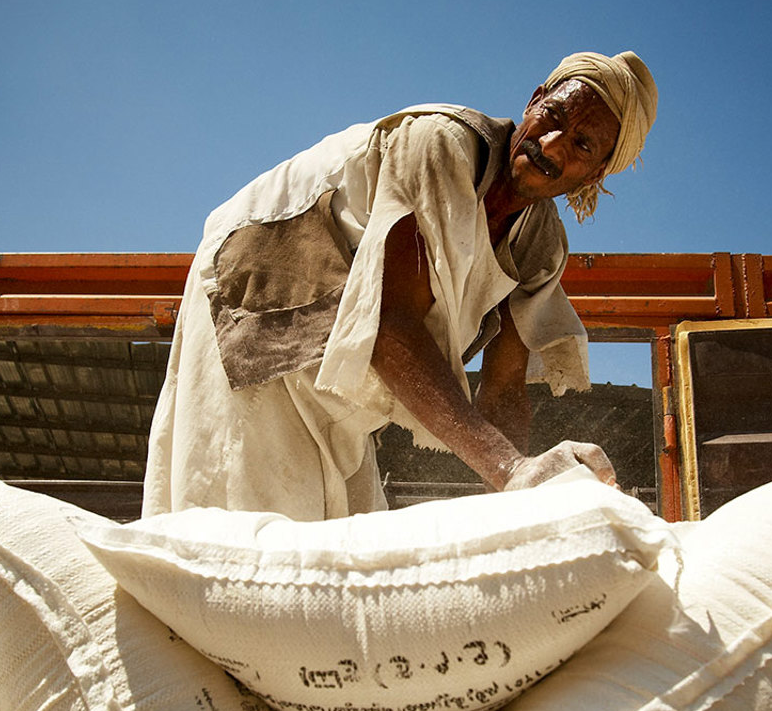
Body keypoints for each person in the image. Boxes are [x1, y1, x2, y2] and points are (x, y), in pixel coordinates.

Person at [142, 51, 658, 520]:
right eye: (554, 118)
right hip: (262, 299)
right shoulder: (443, 144)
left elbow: (503, 388)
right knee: (250, 537)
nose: (550, 145)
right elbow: (391, 325)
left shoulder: (540, 246)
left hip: (336, 357)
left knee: (349, 533)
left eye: (581, 144)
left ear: (594, 175)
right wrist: (509, 468)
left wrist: (514, 500)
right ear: (535, 100)